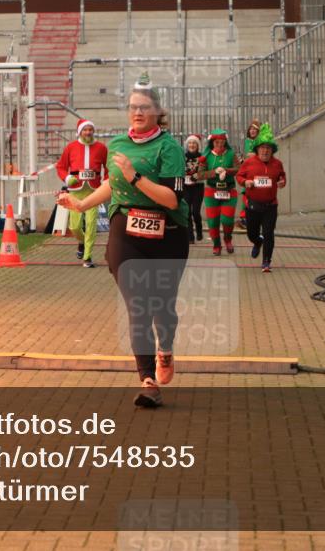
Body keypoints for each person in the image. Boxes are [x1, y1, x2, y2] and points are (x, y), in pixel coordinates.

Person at [55, 73, 189, 407]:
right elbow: (114, 185)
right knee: (138, 307)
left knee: (162, 307)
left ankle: (166, 349)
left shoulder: (170, 148)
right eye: (132, 107)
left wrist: (135, 175)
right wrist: (82, 203)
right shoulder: (117, 145)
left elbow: (172, 199)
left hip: (167, 236)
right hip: (125, 230)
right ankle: (147, 381)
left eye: (144, 107)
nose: (137, 113)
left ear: (158, 112)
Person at [55, 118, 108, 268]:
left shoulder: (101, 148)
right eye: (85, 130)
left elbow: (108, 167)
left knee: (91, 224)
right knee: (75, 227)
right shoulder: (70, 147)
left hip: (93, 192)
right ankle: (81, 242)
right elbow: (61, 167)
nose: (88, 132)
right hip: (75, 191)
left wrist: (106, 181)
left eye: (90, 129)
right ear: (79, 132)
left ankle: (87, 257)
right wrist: (67, 177)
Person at [236, 124, 287, 272]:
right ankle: (257, 242)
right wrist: (245, 182)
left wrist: (282, 182)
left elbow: (282, 176)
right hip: (253, 205)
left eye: (268, 148)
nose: (265, 151)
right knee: (251, 233)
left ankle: (266, 261)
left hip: (270, 206)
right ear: (257, 149)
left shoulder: (278, 164)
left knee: (269, 233)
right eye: (262, 148)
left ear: (272, 150)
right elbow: (239, 176)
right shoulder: (248, 163)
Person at [198, 129, 241, 256]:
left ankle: (228, 239)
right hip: (211, 191)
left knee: (227, 220)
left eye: (222, 141)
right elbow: (199, 174)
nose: (220, 144)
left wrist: (227, 171)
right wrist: (214, 172)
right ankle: (216, 244)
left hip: (229, 190)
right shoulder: (205, 156)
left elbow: (239, 169)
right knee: (213, 221)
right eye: (217, 142)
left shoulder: (231, 154)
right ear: (212, 142)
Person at [239, 119, 261, 229]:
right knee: (246, 193)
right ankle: (244, 217)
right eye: (251, 129)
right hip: (248, 170)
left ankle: (255, 218)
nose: (252, 131)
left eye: (255, 129)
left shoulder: (260, 141)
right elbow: (246, 155)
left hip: (257, 171)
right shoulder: (247, 141)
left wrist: (254, 155)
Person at [183, 134, 204, 244]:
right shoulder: (183, 156)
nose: (192, 145)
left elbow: (205, 171)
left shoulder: (201, 157)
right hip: (185, 187)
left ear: (198, 145)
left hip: (198, 187)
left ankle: (199, 231)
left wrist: (198, 175)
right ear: (187, 145)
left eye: (194, 143)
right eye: (190, 143)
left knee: (196, 212)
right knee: (187, 213)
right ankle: (190, 236)